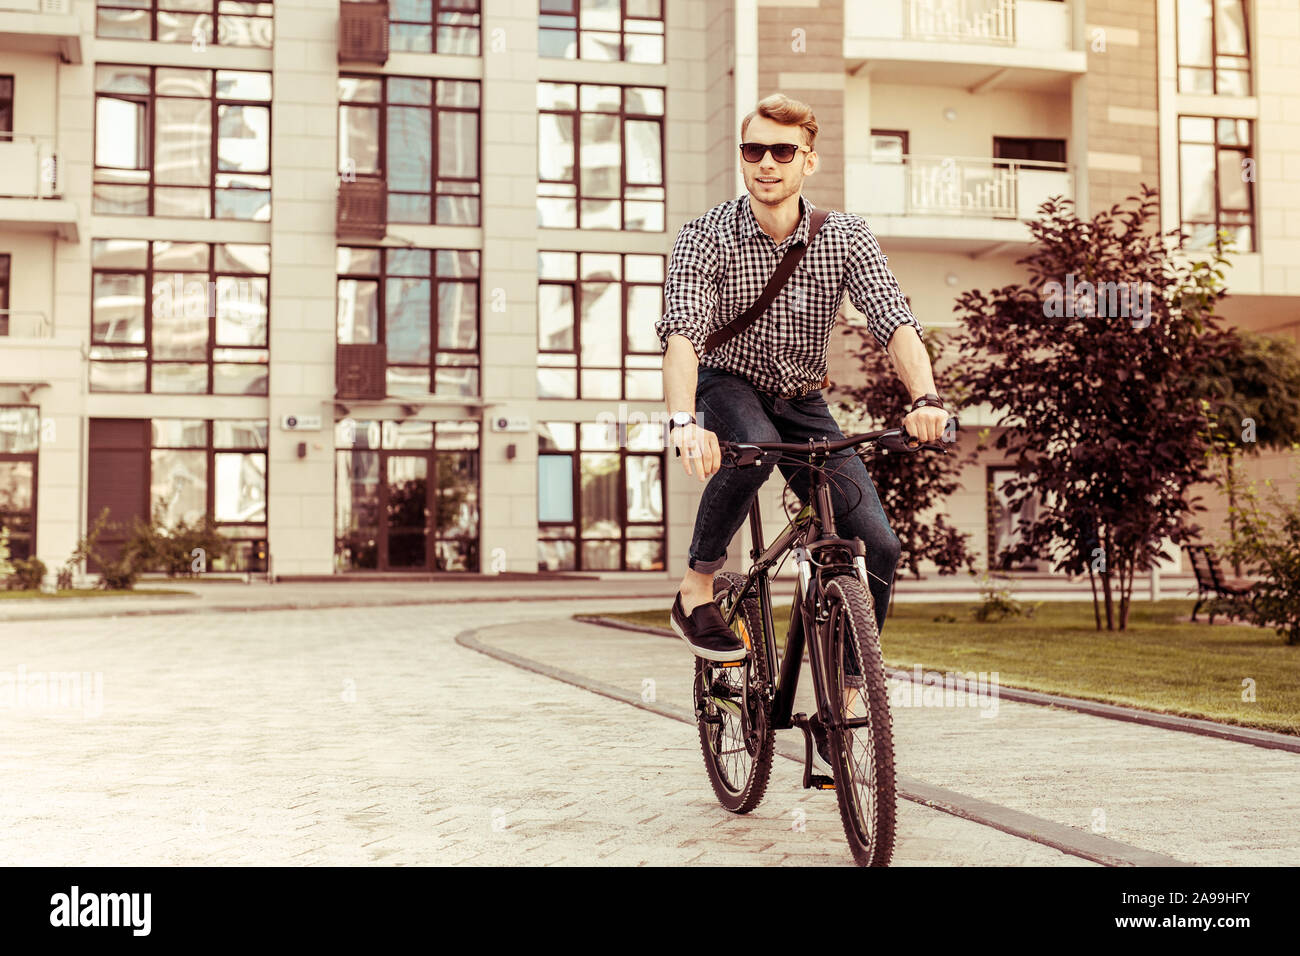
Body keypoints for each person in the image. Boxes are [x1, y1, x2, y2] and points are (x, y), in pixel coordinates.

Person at [656, 93, 950, 667]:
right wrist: (684, 421)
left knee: (879, 545)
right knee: (755, 451)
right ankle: (696, 588)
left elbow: (894, 319)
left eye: (783, 151)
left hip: (804, 398)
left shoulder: (844, 236)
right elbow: (683, 332)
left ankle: (847, 687)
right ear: (742, 158)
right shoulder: (704, 235)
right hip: (728, 382)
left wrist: (926, 398)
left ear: (808, 161)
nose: (767, 162)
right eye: (754, 149)